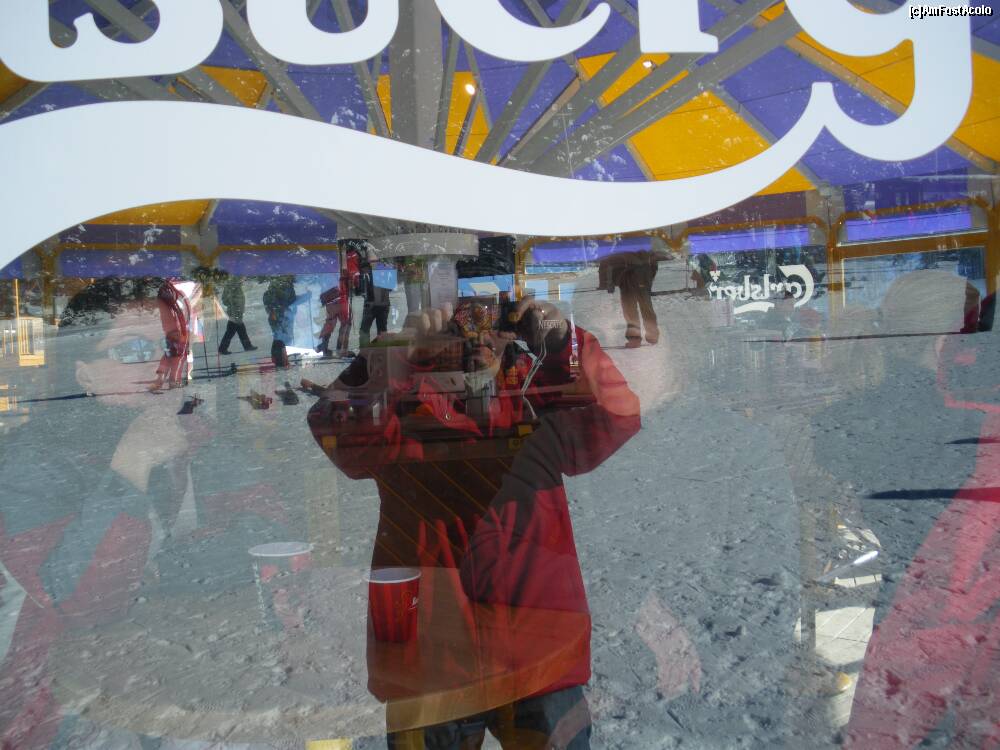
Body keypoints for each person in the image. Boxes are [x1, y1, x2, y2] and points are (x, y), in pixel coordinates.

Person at [307, 297, 642, 749]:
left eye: (497, 321)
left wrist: (566, 342)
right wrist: (387, 359)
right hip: (432, 658)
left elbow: (618, 416)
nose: (479, 337)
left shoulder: (534, 394)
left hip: (536, 650)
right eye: (460, 325)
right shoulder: (402, 399)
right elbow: (337, 434)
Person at [602, 251, 659, 348]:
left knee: (636, 310)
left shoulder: (626, 244)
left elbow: (610, 262)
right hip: (633, 276)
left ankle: (642, 338)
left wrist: (611, 281)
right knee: (637, 310)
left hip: (634, 276)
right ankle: (645, 337)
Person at [217, 274, 257, 355]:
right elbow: (227, 300)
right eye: (242, 277)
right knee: (232, 331)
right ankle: (223, 349)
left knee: (238, 330)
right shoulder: (233, 286)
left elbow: (225, 300)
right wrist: (234, 308)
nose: (244, 278)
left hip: (236, 312)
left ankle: (246, 346)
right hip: (235, 313)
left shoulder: (235, 286)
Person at [357, 261, 391, 349]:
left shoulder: (368, 271)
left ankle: (368, 351)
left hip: (376, 305)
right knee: (379, 330)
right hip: (379, 304)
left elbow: (360, 291)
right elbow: (391, 287)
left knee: (367, 330)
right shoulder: (384, 268)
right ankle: (378, 350)